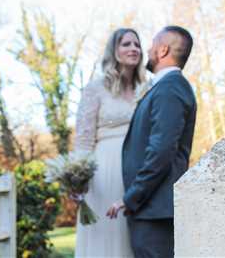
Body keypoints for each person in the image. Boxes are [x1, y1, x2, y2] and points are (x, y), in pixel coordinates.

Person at [107, 26, 197, 258]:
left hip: (155, 209)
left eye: (152, 44)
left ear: (163, 50)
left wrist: (132, 197)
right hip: (152, 208)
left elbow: (161, 151)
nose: (147, 49)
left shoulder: (171, 88)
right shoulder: (166, 87)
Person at [74, 28, 146, 258]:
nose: (134, 48)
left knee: (131, 236)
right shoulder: (95, 88)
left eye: (137, 44)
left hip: (137, 168)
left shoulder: (146, 89)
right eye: (126, 44)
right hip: (104, 170)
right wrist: (78, 178)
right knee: (106, 233)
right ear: (114, 51)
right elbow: (84, 137)